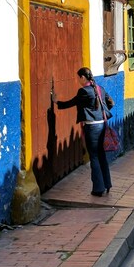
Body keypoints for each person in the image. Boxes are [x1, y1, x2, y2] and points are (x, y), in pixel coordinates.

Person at [52, 67, 114, 197]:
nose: (78, 80)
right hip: (102, 124)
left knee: (94, 157)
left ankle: (98, 188)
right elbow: (110, 102)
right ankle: (107, 184)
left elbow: (72, 102)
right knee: (101, 155)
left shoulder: (84, 91)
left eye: (78, 78)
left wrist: (56, 102)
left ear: (83, 77)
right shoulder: (99, 88)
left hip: (92, 127)